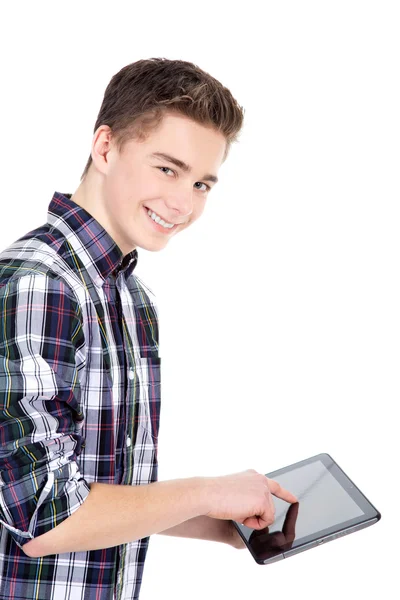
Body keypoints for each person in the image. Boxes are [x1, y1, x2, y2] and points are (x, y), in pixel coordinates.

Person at [0, 58, 297, 600]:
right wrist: (208, 491)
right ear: (106, 148)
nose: (183, 204)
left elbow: (104, 494)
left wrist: (223, 521)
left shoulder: (134, 302)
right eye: (168, 169)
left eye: (202, 183)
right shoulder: (39, 286)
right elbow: (44, 513)